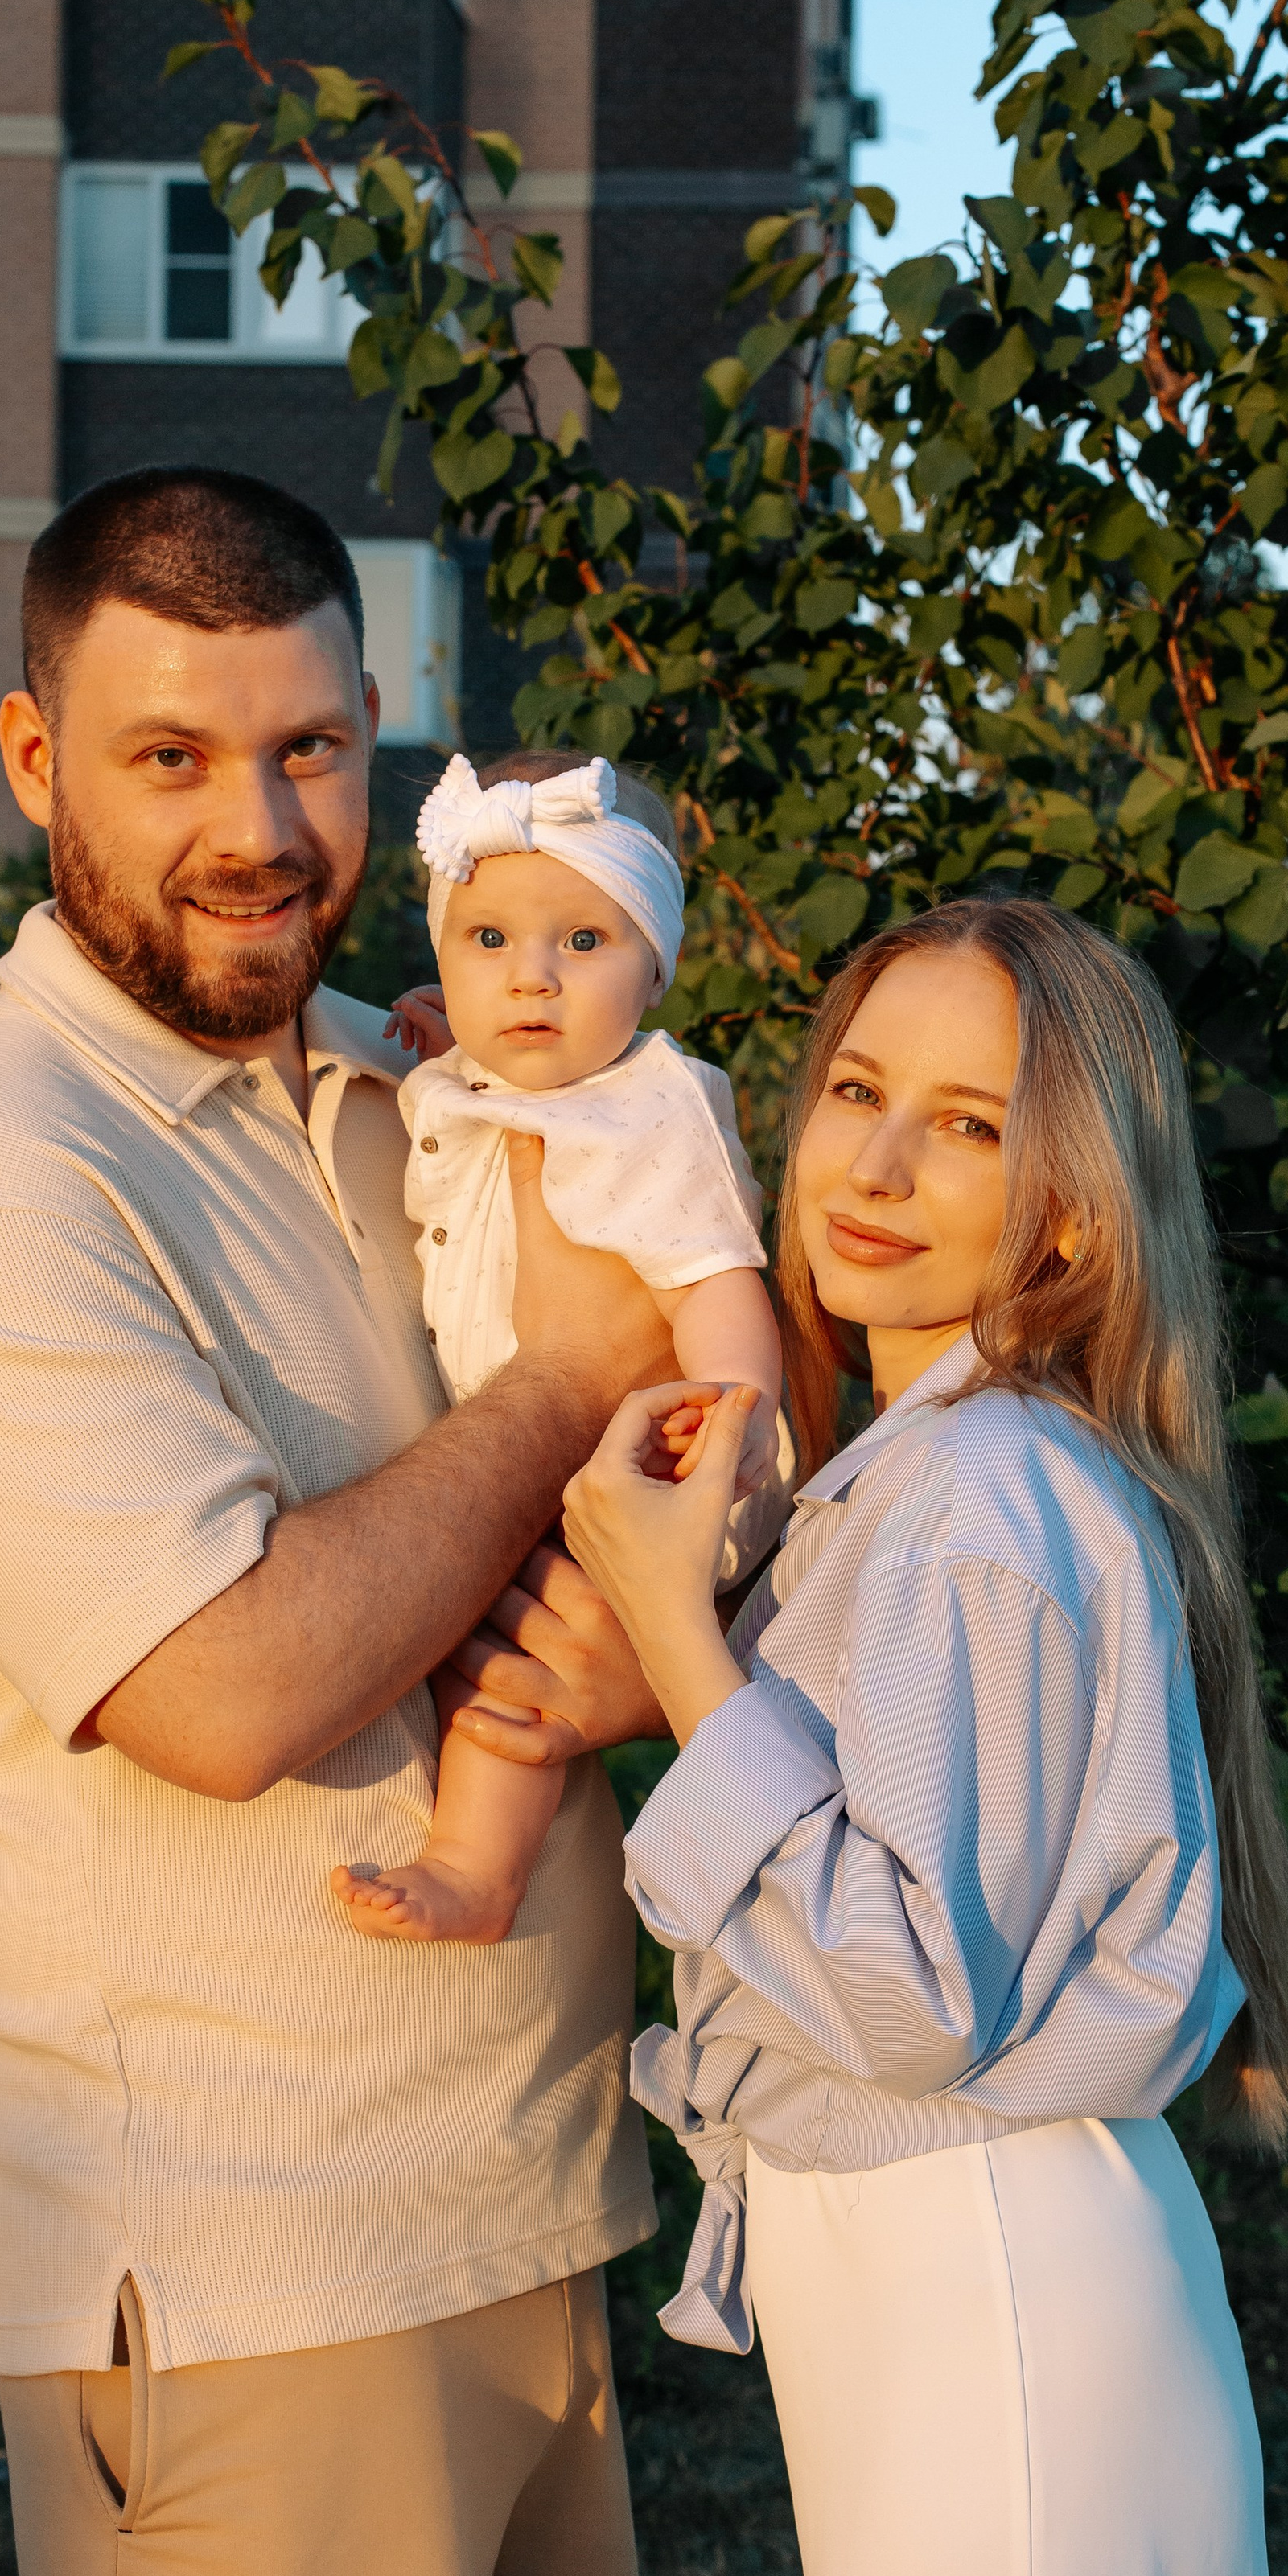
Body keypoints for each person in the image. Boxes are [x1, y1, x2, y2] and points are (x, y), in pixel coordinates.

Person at [0, 466, 670, 2576]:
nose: (258, 826)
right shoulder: (0, 1178)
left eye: (307, 747)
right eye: (170, 756)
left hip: (524, 2213)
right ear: (32, 758)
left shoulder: (407, 1093)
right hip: (244, 2276)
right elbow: (217, 1687)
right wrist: (558, 1385)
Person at [562, 896, 1288, 2576]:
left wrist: (673, 1630)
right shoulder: (936, 1472)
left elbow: (903, 1991)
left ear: (1067, 1212)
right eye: (854, 1092)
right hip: (956, 2269)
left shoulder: (980, 1496)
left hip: (981, 2270)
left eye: (970, 1125)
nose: (877, 1165)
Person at [334, 743, 785, 1943]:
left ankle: (478, 1867)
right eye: (489, 942)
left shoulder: (654, 1108)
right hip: (530, 1442)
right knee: (481, 1612)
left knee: (516, 1644)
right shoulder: (492, 1071)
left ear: (655, 966)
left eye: (583, 942)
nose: (531, 979)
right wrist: (450, 1033)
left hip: (642, 1467)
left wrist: (734, 1409)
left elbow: (718, 1275)